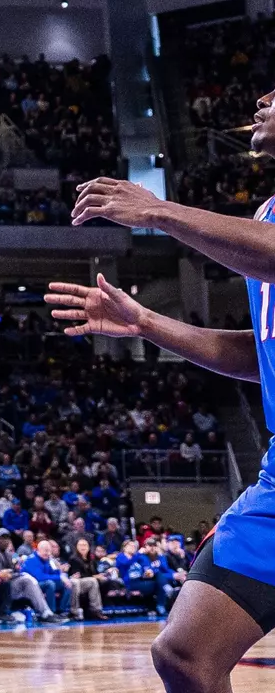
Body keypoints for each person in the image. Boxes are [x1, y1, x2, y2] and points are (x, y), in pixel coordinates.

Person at [46, 136, 275, 693]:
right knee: (185, 653)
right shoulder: (266, 215)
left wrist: (157, 210)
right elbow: (257, 353)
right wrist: (148, 324)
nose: (263, 98)